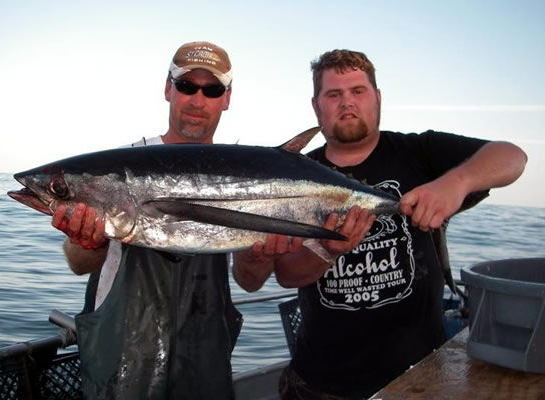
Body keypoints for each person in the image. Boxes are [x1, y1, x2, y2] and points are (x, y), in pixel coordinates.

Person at [234, 49, 527, 399]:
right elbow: (286, 276)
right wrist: (328, 250)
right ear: (316, 106)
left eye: (358, 91)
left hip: (420, 377)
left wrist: (456, 182)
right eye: (334, 94)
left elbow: (512, 156)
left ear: (378, 97)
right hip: (320, 384)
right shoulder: (290, 175)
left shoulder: (420, 152)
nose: (347, 103)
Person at [51, 41, 244, 400]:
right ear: (168, 89)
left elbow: (250, 278)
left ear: (227, 98)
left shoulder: (246, 178)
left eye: (212, 89)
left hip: (206, 364)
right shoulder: (117, 168)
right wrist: (86, 242)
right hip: (122, 362)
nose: (197, 100)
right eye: (186, 86)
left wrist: (263, 254)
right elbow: (78, 264)